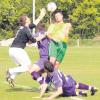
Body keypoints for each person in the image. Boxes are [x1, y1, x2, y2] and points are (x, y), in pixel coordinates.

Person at [6, 8, 46, 87]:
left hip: (12, 50)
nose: (29, 18)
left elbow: (34, 25)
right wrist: (44, 35)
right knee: (28, 67)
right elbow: (34, 40)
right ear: (26, 21)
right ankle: (10, 71)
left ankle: (11, 76)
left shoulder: (25, 28)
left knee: (23, 67)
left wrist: (41, 15)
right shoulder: (26, 30)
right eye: (27, 18)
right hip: (18, 50)